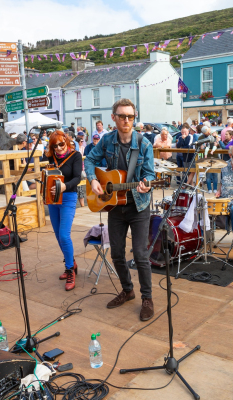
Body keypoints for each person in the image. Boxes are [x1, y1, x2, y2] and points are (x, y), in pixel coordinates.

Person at [85, 98, 156, 321]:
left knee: (141, 254)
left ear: (134, 119)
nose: (126, 120)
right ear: (113, 118)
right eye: (122, 116)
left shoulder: (143, 144)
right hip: (115, 205)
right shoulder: (107, 141)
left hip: (138, 205)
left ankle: (147, 297)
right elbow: (89, 160)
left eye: (130, 117)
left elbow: (151, 174)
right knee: (116, 252)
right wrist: (93, 180)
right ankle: (127, 290)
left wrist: (147, 183)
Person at [46, 131, 82, 290]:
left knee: (64, 235)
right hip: (53, 199)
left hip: (68, 197)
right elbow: (50, 176)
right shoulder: (50, 157)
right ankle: (71, 263)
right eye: (55, 146)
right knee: (58, 236)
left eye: (61, 144)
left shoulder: (75, 155)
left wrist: (65, 186)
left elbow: (77, 178)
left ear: (66, 142)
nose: (59, 148)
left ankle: (70, 271)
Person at [199, 126, 219, 193]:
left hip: (215, 157)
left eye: (208, 131)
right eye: (207, 132)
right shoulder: (201, 137)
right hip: (206, 158)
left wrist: (217, 144)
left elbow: (219, 145)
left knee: (215, 174)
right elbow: (197, 145)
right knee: (208, 174)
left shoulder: (214, 135)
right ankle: (209, 189)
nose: (208, 133)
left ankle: (215, 188)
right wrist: (200, 146)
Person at [76, 136, 86, 208]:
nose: (82, 142)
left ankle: (82, 205)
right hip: (77, 169)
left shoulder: (83, 148)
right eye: (81, 141)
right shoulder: (77, 150)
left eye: (83, 141)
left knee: (80, 188)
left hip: (80, 168)